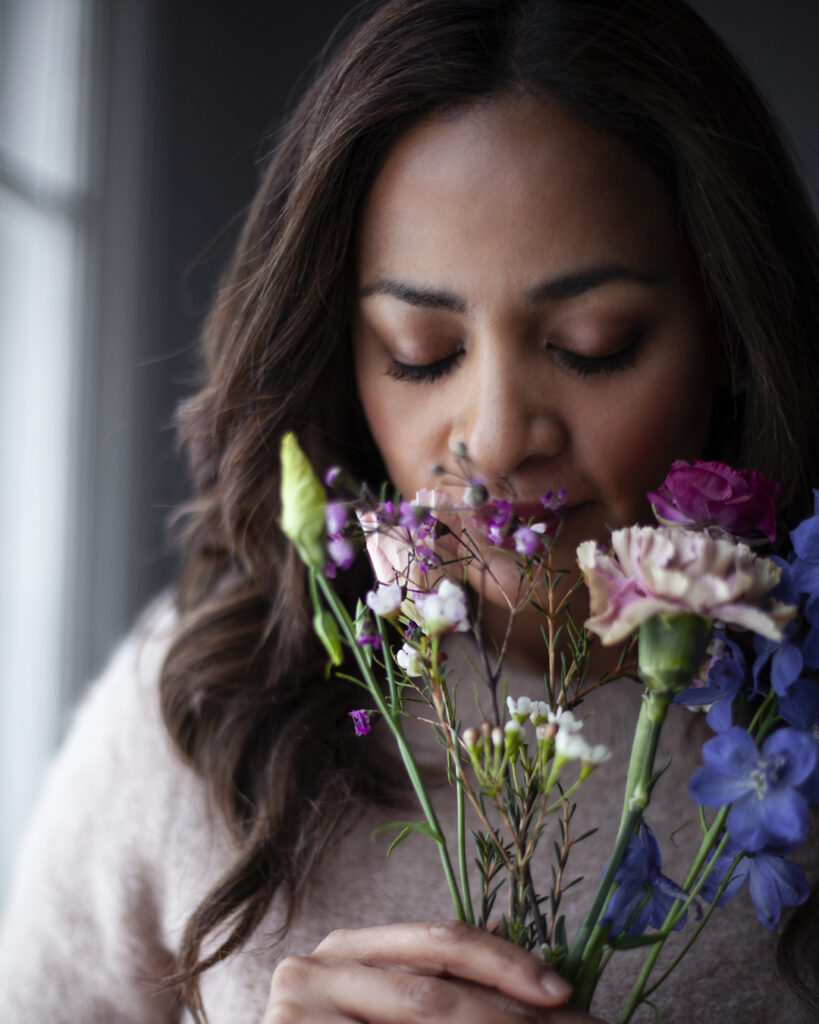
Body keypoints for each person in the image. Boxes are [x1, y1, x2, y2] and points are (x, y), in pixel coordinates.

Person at [2, 1, 819, 1022]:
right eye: (421, 352)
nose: (496, 433)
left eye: (592, 340)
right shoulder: (199, 716)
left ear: (731, 330)